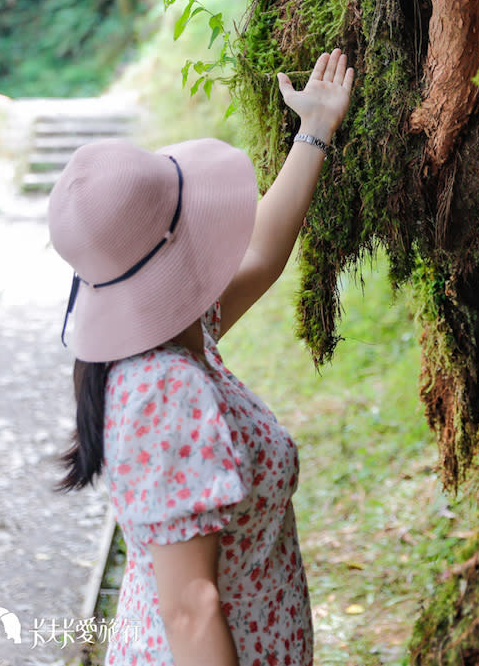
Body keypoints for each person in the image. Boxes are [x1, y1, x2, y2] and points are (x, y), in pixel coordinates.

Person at [50, 48, 354, 666]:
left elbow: (263, 254)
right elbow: (189, 610)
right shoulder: (162, 388)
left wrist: (316, 127)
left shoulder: (170, 332)